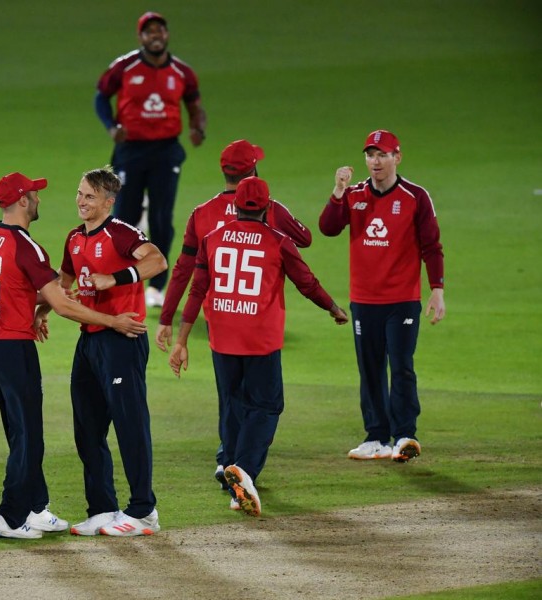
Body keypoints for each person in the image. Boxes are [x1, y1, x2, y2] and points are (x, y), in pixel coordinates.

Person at [0, 172, 147, 539]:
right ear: (23, 201)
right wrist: (110, 320)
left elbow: (20, 291)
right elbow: (62, 300)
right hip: (15, 346)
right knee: (31, 436)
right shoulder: (32, 246)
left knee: (25, 431)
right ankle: (11, 516)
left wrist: (41, 309)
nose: (40, 198)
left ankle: (42, 508)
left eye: (88, 195)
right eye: (34, 194)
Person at [168, 177, 348, 516]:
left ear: (235, 205)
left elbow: (196, 291)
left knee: (233, 404)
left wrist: (181, 340)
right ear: (267, 208)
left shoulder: (211, 239)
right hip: (260, 339)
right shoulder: (278, 241)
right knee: (266, 407)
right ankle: (244, 469)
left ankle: (232, 472)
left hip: (222, 336)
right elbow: (306, 282)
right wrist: (332, 307)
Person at [154, 139, 313, 487]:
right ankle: (238, 463)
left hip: (219, 318)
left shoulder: (202, 212)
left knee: (230, 395)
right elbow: (305, 238)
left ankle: (227, 457)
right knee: (262, 398)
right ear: (254, 169)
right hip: (257, 322)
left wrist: (166, 318)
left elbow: (183, 270)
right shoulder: (269, 209)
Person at [51, 166, 167, 537]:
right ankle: (102, 508)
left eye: (88, 196)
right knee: (87, 429)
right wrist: (42, 310)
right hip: (89, 341)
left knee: (131, 426)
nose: (81, 202)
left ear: (108, 201)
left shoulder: (121, 233)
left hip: (122, 340)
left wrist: (115, 278)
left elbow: (157, 260)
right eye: (79, 194)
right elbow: (64, 280)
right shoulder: (74, 238)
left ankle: (143, 510)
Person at [319, 130, 445, 462]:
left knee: (401, 366)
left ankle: (405, 435)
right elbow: (328, 228)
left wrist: (437, 290)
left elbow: (432, 246)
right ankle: (376, 437)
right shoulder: (354, 194)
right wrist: (338, 191)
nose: (375, 161)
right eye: (370, 155)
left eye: (382, 155)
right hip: (364, 300)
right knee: (370, 368)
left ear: (396, 158)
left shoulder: (415, 197)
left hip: (402, 299)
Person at [95, 11, 207, 308]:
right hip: (131, 151)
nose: (155, 36)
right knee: (123, 217)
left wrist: (198, 127)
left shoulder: (182, 72)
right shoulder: (125, 66)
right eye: (149, 32)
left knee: (161, 219)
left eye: (160, 31)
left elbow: (195, 104)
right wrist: (111, 127)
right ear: (140, 37)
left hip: (166, 151)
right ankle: (119, 280)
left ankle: (156, 284)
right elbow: (100, 96)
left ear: (167, 35)